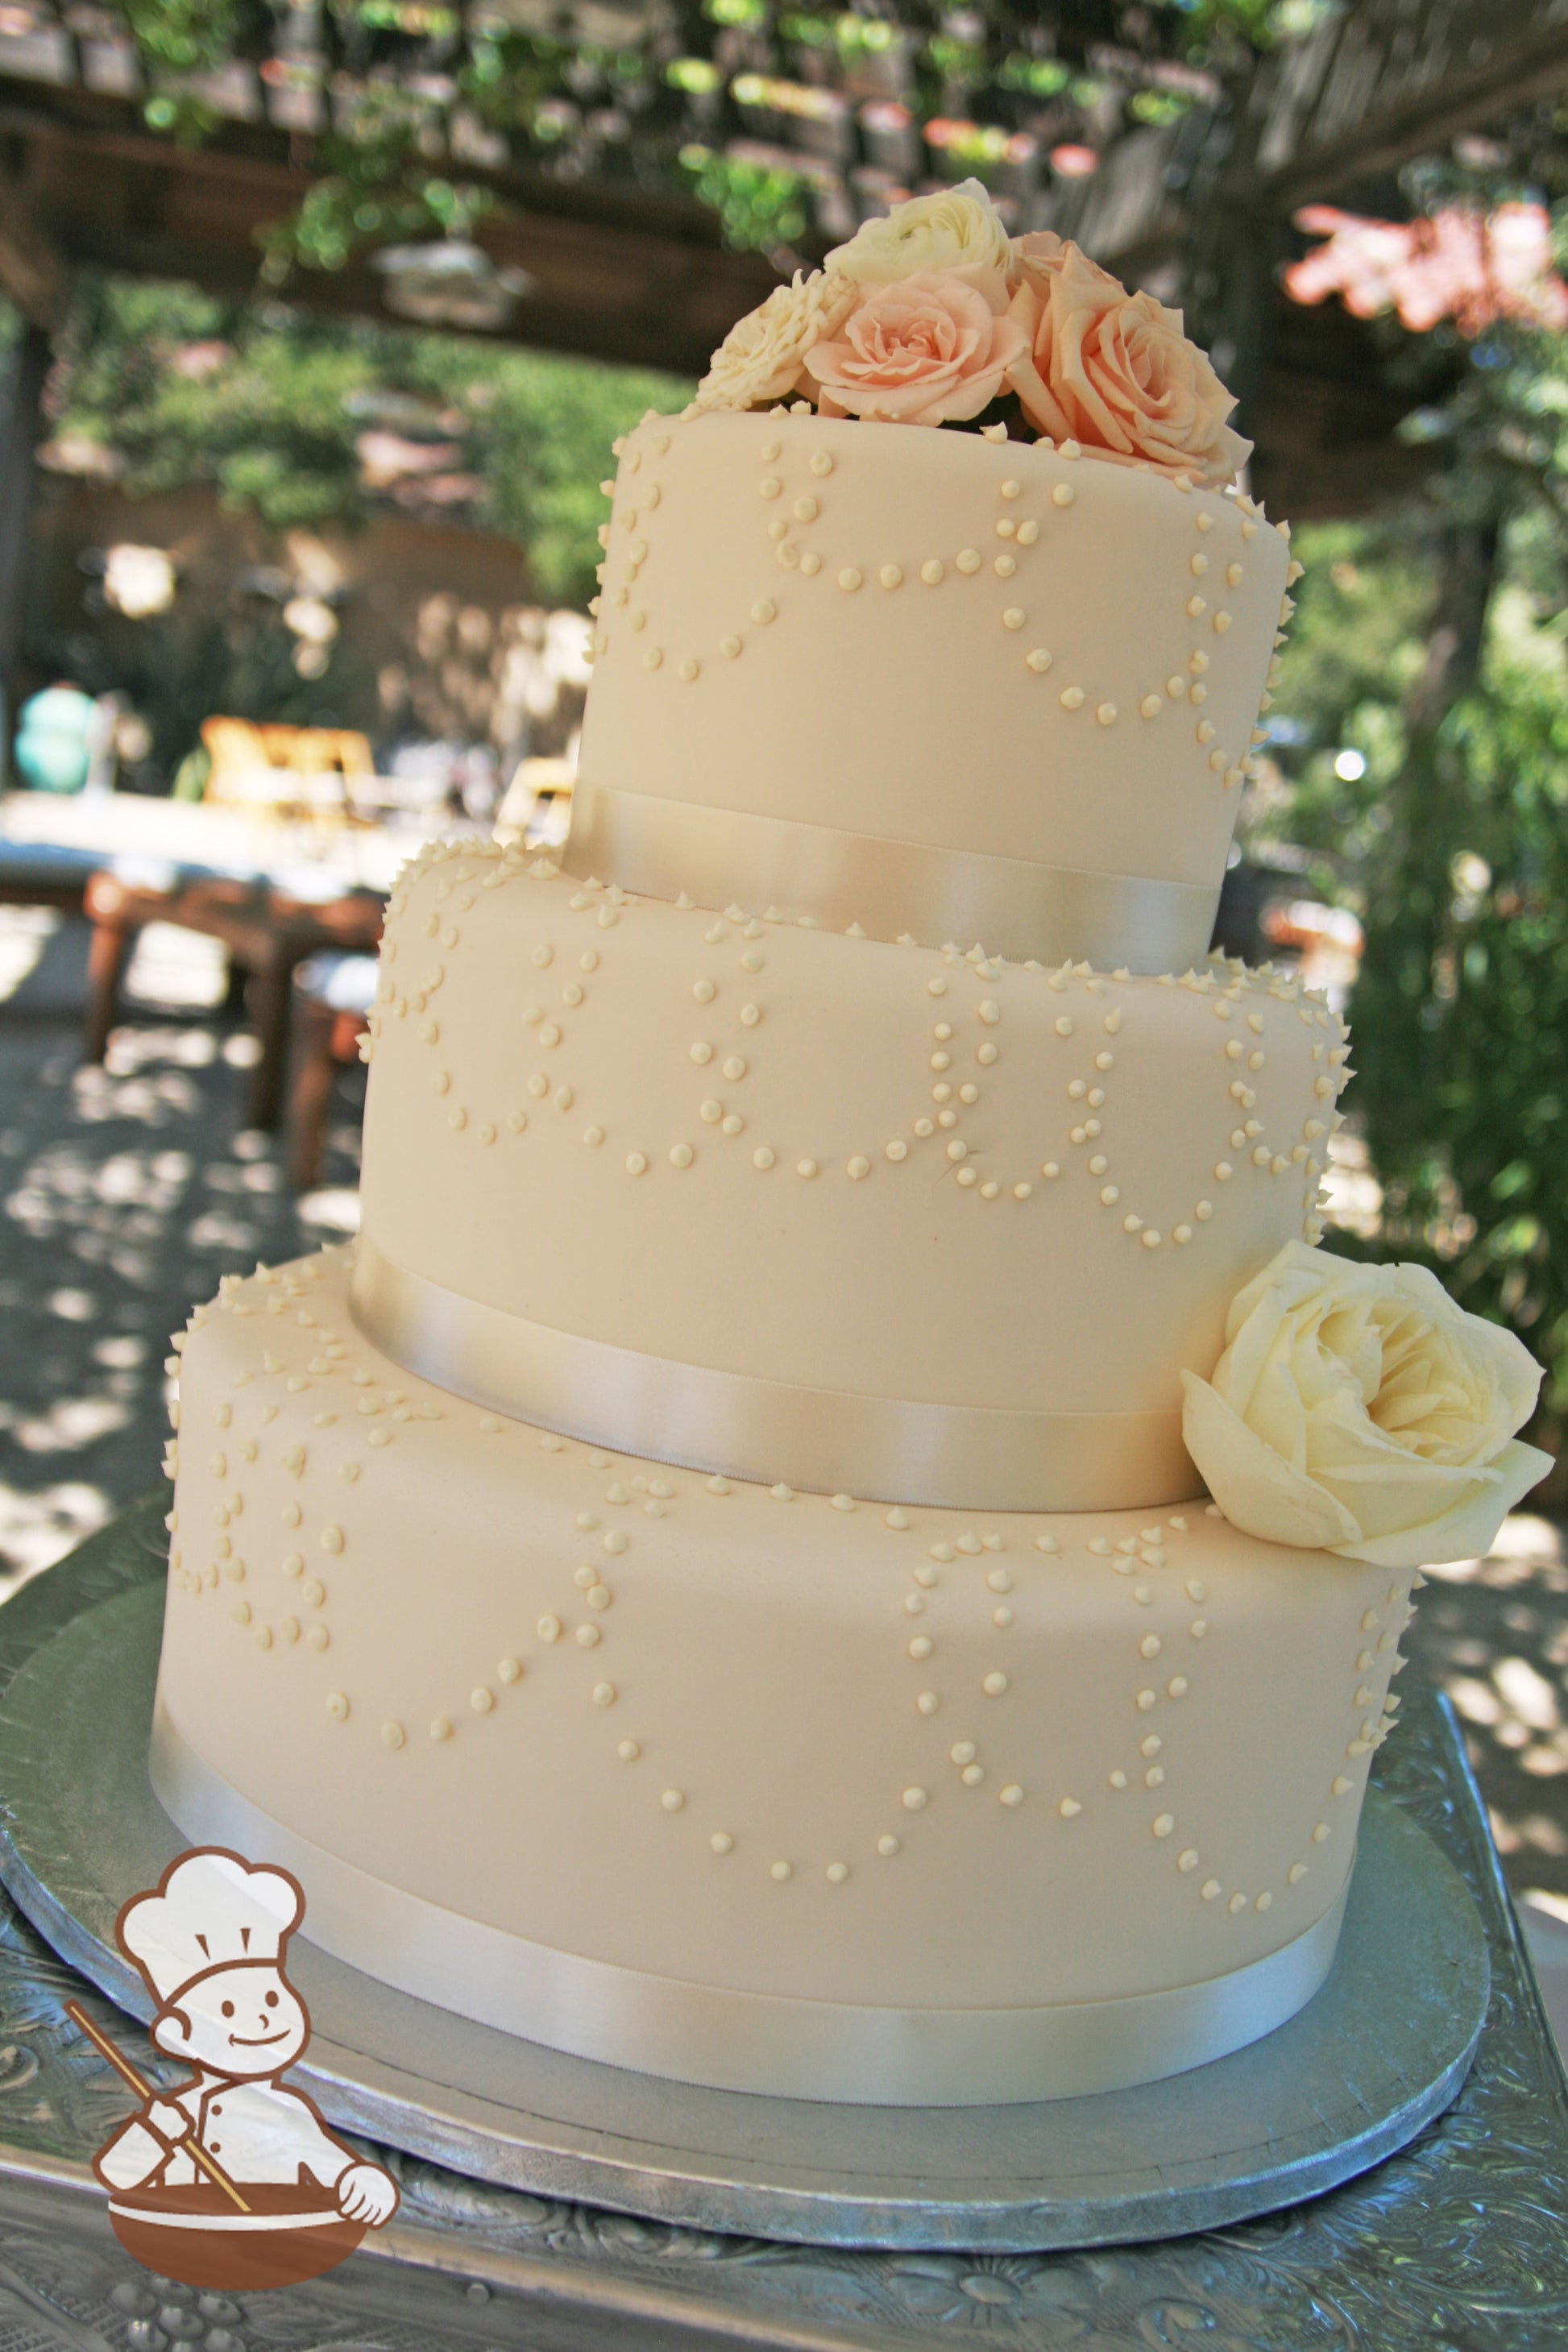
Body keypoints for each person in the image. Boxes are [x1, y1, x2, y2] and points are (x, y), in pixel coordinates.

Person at [92, 1847, 397, 2228]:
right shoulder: (179, 2111)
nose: (261, 2020)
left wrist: (363, 2181)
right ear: (178, 2036)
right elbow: (116, 2175)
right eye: (229, 2010)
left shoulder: (291, 2113)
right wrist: (154, 2132)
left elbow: (338, 2171)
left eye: (271, 1999)